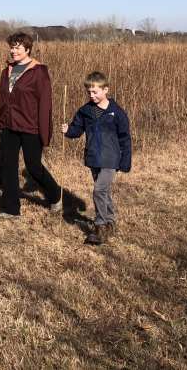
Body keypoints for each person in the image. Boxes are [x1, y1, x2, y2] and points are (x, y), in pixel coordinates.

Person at [0, 32, 62, 219]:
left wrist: (45, 132)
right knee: (8, 166)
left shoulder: (38, 72)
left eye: (17, 47)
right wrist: (2, 121)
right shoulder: (6, 71)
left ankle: (56, 194)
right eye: (12, 47)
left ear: (27, 49)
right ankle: (11, 210)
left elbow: (45, 104)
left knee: (33, 167)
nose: (13, 51)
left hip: (30, 127)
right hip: (9, 126)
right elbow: (3, 99)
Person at [61, 71, 132, 245]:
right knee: (104, 192)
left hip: (110, 159)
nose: (91, 95)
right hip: (93, 157)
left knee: (99, 190)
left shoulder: (116, 112)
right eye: (89, 92)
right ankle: (110, 221)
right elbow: (77, 129)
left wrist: (125, 161)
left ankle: (100, 226)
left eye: (95, 92)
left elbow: (125, 138)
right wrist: (68, 131)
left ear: (105, 89)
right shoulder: (85, 111)